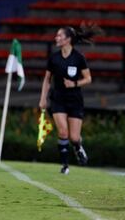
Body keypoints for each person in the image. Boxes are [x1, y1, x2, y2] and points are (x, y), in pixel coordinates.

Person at [39, 25, 100, 174]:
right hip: (58, 99)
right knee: (63, 132)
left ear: (68, 39)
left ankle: (78, 147)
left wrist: (75, 83)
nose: (56, 38)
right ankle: (65, 165)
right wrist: (43, 99)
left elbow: (88, 78)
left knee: (74, 137)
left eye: (59, 36)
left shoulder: (79, 58)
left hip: (75, 100)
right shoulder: (54, 58)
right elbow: (47, 80)